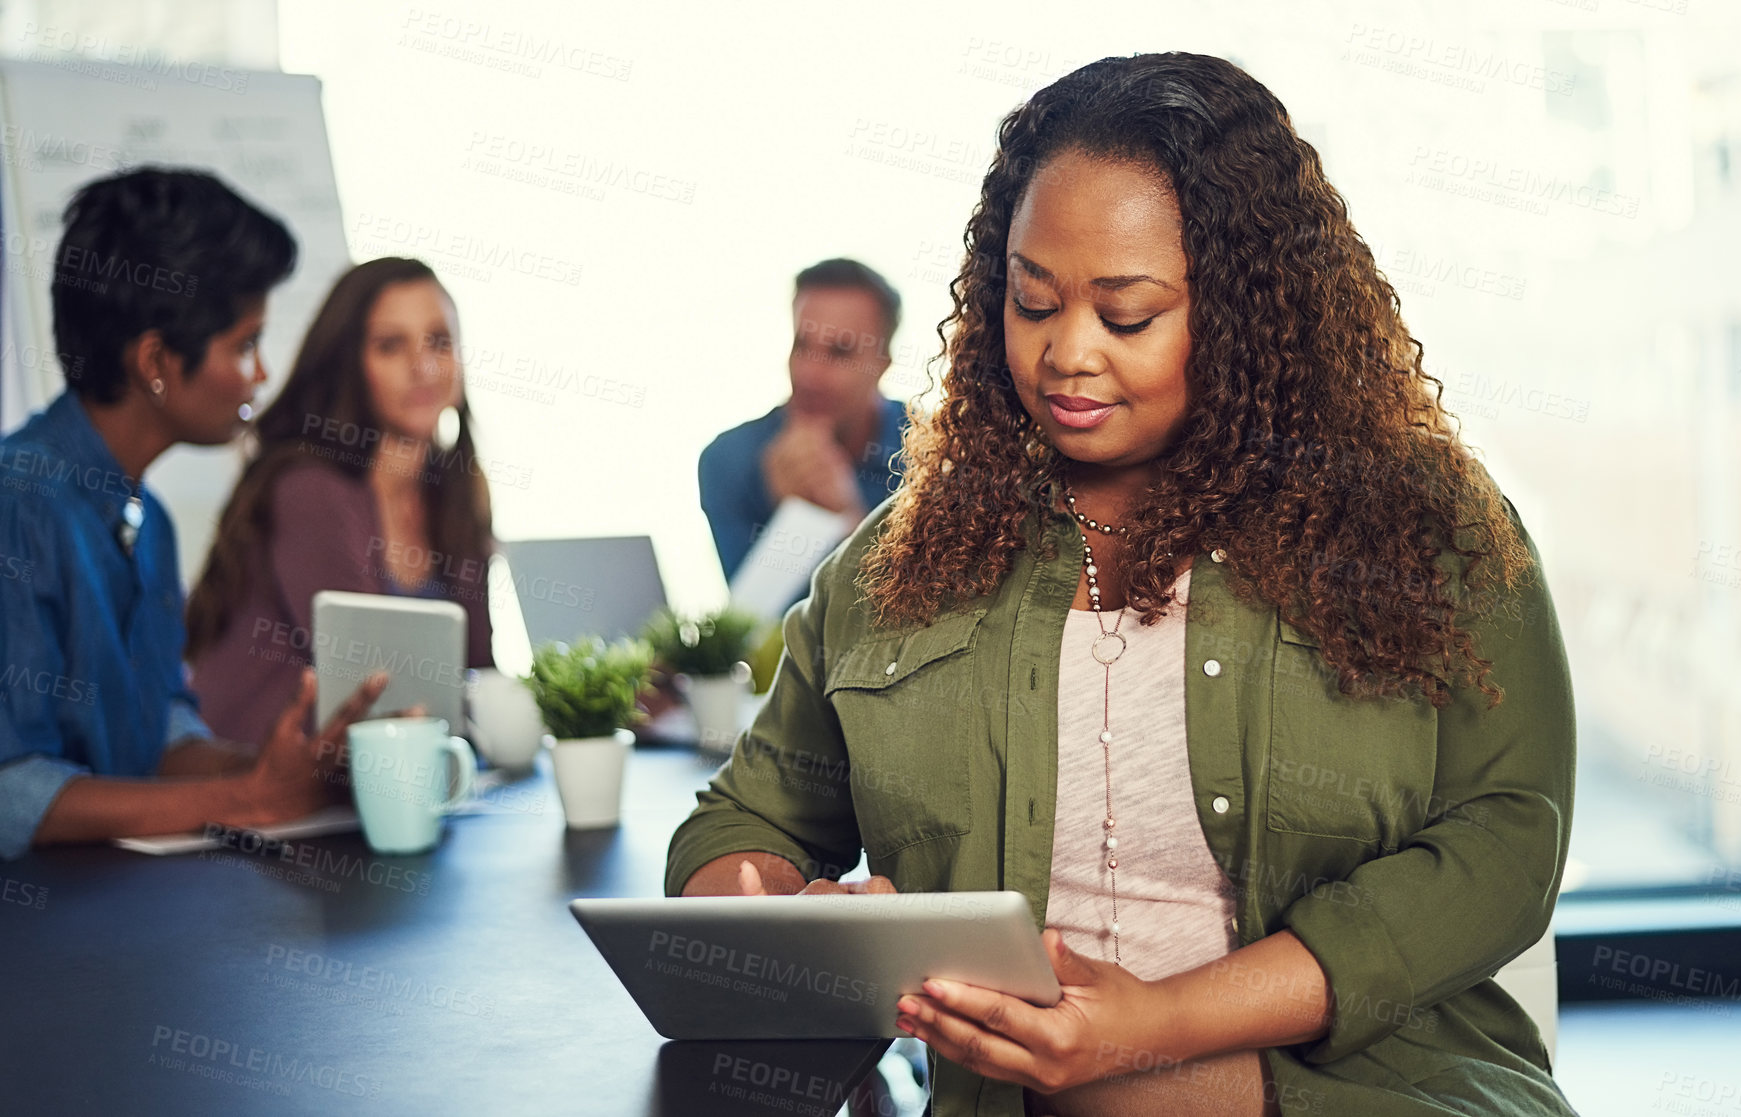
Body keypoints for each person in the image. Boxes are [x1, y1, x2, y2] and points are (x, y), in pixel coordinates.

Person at [666, 54, 1576, 1117]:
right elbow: (744, 821)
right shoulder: (898, 563)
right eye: (1031, 301)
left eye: (1126, 314)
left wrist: (1155, 1024)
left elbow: (1503, 843)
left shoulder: (1425, 527)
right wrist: (766, 910)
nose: (1066, 355)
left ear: (1245, 310)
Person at [0, 168, 389, 861]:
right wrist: (245, 799)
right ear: (155, 361)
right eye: (244, 345)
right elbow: (11, 789)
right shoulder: (17, 502)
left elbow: (162, 737)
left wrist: (282, 768)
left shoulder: (148, 520)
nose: (260, 375)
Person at [184, 258, 495, 746]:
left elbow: (479, 673)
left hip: (385, 770)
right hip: (259, 780)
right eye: (391, 346)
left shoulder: (453, 490)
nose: (424, 367)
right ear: (348, 363)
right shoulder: (309, 488)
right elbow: (375, 685)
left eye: (440, 341)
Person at [697, 258, 908, 589]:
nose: (810, 374)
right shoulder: (728, 460)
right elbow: (753, 627)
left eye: (840, 352)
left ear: (882, 365)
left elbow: (929, 624)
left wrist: (848, 520)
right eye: (802, 345)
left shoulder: (937, 453)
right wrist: (794, 526)